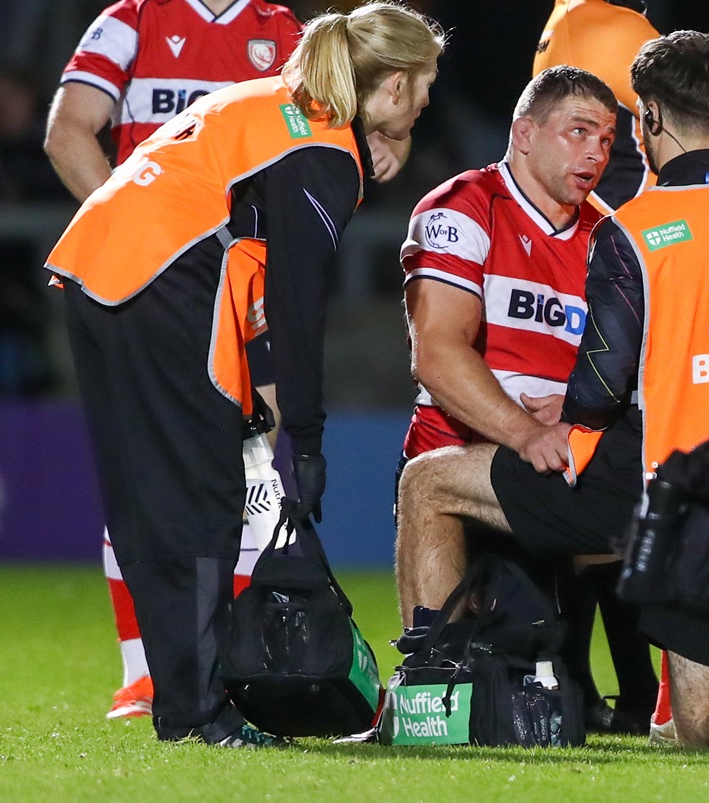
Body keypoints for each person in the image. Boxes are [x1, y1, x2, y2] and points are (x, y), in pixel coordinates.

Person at [45, 3, 444, 747]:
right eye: (423, 86)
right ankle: (198, 712)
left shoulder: (271, 103)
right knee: (204, 501)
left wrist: (265, 395)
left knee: (151, 501)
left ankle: (184, 703)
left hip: (97, 271)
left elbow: (252, 256)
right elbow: (297, 303)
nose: (427, 102)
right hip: (166, 280)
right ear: (390, 86)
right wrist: (310, 435)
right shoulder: (325, 150)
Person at [42, 0, 303, 720]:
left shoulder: (280, 30)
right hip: (158, 286)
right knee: (153, 467)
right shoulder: (133, 18)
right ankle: (146, 673)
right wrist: (143, 242)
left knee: (253, 462)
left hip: (246, 277)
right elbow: (68, 133)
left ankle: (232, 668)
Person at [530, 29, 709, 748]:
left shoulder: (633, 230)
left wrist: (562, 418)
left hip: (701, 506)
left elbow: (602, 384)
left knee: (435, 483)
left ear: (650, 120)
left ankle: (436, 681)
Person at [394, 64, 616, 612]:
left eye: (608, 139)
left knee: (558, 682)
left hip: (553, 474)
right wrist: (524, 433)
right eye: (579, 131)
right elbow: (438, 352)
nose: (596, 154)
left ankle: (639, 697)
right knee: (451, 668)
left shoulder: (610, 235)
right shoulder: (462, 207)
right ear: (524, 133)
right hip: (459, 465)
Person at [532, 0, 661, 736]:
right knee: (608, 496)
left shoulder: (567, 19)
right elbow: (650, 160)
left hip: (580, 262)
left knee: (590, 499)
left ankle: (593, 686)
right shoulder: (617, 28)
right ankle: (622, 688)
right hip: (620, 273)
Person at [534, 0, 658, 214]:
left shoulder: (567, 19)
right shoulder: (614, 26)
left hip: (595, 218)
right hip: (641, 221)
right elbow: (702, 124)